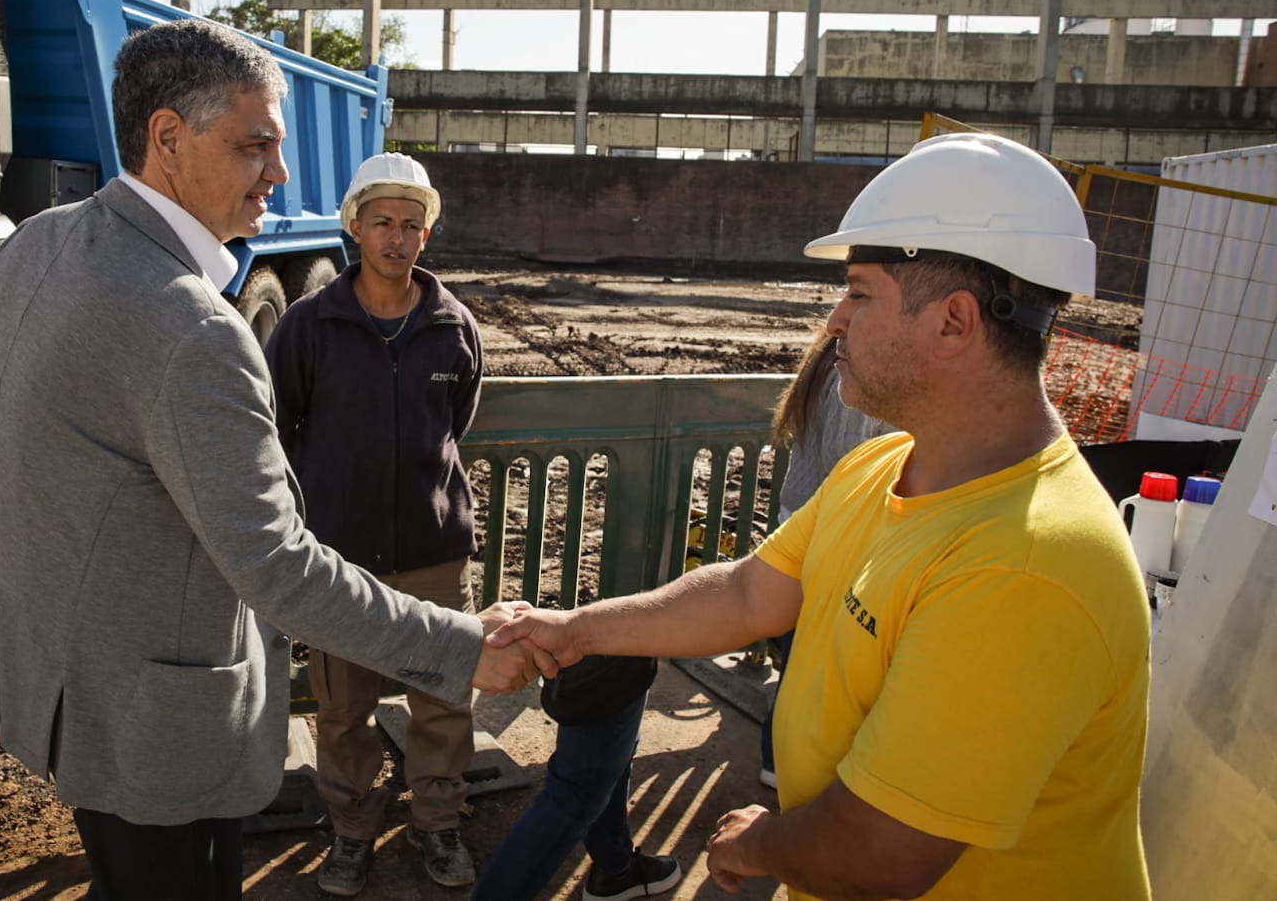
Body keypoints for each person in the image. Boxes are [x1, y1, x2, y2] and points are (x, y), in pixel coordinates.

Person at [0, 19, 550, 901]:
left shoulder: (38, 241)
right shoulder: (191, 327)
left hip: (68, 689)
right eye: (255, 144)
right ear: (168, 140)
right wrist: (460, 646)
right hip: (160, 728)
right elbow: (276, 563)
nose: (282, 174)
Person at [490, 133, 1151, 900]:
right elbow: (745, 593)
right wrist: (574, 630)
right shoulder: (882, 465)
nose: (835, 319)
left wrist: (763, 841)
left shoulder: (1026, 562)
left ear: (954, 322)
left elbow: (881, 853)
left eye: (860, 292)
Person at [264, 152, 484, 895]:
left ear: (428, 235)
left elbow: (453, 425)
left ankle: (439, 822)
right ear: (354, 226)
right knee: (342, 709)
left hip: (433, 554)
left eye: (411, 224)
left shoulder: (455, 328)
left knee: (444, 699)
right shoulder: (307, 325)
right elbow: (278, 424)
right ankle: (352, 830)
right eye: (382, 221)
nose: (396, 236)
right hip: (340, 560)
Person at [758, 332, 891, 790]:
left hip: (801, 513)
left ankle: (775, 755)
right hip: (829, 523)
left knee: (798, 645)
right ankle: (780, 757)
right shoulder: (859, 376)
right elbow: (854, 460)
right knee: (810, 657)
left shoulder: (825, 359)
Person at [469, 652, 680, 901]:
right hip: (609, 644)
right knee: (575, 791)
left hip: (618, 646)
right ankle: (614, 867)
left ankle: (614, 865)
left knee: (612, 752)